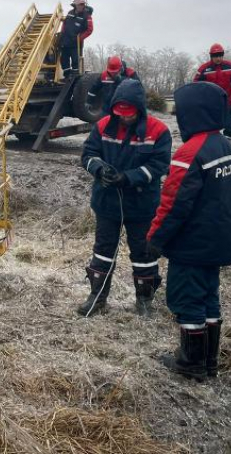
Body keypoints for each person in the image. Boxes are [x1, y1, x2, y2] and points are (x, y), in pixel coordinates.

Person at [146, 82, 231, 381]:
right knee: (208, 299)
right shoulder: (227, 146)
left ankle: (190, 364)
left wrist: (155, 239)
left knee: (186, 300)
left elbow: (174, 203)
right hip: (218, 243)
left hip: (192, 245)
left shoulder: (190, 152)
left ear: (193, 113)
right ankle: (208, 362)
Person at [78, 79, 171, 317]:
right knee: (102, 250)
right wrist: (99, 169)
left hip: (141, 205)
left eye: (129, 114)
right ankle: (97, 298)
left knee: (143, 254)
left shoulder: (158, 131)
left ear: (139, 109)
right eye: (120, 114)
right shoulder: (101, 126)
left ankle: (144, 301)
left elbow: (159, 165)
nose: (124, 118)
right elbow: (88, 154)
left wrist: (128, 178)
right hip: (107, 202)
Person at [194, 43, 231, 140]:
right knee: (210, 126)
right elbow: (196, 85)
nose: (218, 58)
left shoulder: (230, 66)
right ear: (211, 56)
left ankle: (228, 146)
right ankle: (212, 146)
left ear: (222, 55)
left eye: (220, 55)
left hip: (228, 101)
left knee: (230, 125)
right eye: (215, 56)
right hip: (211, 103)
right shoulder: (204, 69)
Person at [60, 0, 94, 77]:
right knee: (64, 60)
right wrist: (62, 34)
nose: (82, 6)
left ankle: (75, 77)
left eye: (83, 4)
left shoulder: (87, 16)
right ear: (76, 4)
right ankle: (67, 76)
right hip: (65, 42)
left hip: (76, 44)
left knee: (76, 61)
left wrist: (80, 38)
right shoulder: (70, 13)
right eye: (80, 4)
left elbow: (90, 30)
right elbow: (65, 24)